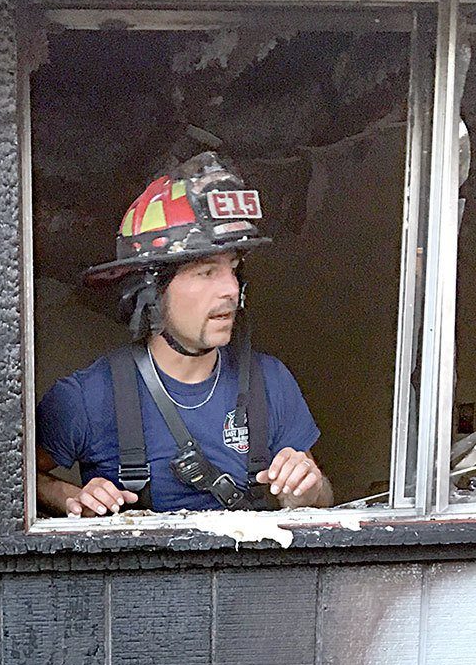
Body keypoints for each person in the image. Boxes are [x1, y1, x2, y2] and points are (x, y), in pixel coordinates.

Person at [36, 151, 333, 517]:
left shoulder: (270, 381)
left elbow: (323, 497)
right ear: (152, 291)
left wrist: (308, 488)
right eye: (206, 272)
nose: (230, 289)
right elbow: (14, 479)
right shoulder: (86, 398)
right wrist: (65, 494)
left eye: (234, 268)